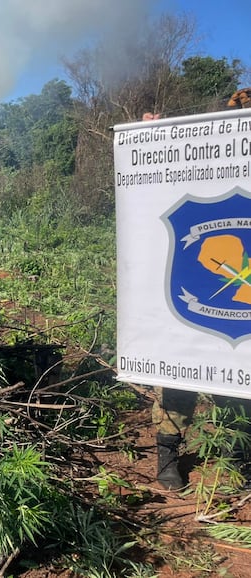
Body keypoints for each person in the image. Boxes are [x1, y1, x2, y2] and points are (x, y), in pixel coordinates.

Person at [140, 105, 251, 489]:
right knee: (178, 370)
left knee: (243, 379)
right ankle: (167, 456)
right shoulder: (218, 140)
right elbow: (162, 185)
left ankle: (238, 457)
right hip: (196, 289)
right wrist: (151, 138)